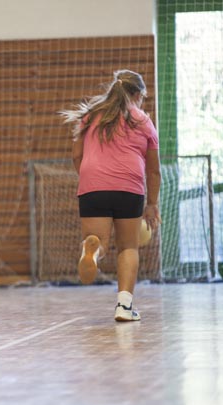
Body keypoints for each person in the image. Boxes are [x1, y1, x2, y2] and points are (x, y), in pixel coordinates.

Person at [61, 69, 161, 322]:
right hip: (129, 187)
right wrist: (152, 204)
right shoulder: (143, 121)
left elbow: (76, 155)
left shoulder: (90, 116)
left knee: (100, 241)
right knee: (128, 247)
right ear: (137, 95)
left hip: (93, 185)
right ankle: (124, 307)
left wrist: (90, 179)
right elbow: (154, 170)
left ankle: (92, 251)